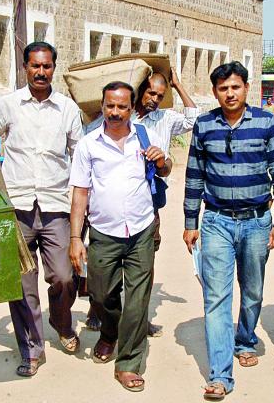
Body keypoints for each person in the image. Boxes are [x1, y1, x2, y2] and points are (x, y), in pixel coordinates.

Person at [0, 41, 83, 377]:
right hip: (16, 204)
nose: (40, 72)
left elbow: (79, 154)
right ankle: (31, 349)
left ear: (54, 68)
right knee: (21, 281)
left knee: (63, 276)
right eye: (34, 66)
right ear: (25, 67)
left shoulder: (67, 109)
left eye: (46, 66)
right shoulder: (9, 104)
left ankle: (61, 322)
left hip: (55, 205)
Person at [183, 61, 274, 400]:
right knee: (216, 298)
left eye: (235, 87)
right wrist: (190, 222)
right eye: (223, 88)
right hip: (216, 222)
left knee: (254, 291)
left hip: (258, 221)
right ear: (215, 92)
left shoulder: (266, 122)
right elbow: (194, 176)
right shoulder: (204, 125)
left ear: (246, 88)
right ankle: (220, 375)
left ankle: (245, 339)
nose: (230, 93)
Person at [68, 81, 170, 392]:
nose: (115, 112)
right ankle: (110, 333)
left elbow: (165, 170)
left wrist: (162, 160)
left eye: (122, 106)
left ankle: (128, 363)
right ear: (102, 106)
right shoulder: (89, 144)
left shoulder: (144, 136)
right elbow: (80, 192)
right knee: (101, 295)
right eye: (110, 106)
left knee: (138, 301)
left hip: (140, 230)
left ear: (131, 107)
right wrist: (75, 238)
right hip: (103, 232)